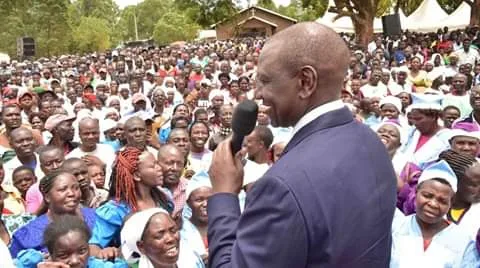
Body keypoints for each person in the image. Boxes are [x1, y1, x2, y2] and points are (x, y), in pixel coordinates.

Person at [207, 22, 397, 267]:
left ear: (306, 82)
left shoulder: (280, 187)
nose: (257, 93)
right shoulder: (371, 142)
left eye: (265, 80)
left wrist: (223, 195)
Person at [89, 147, 171, 259]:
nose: (159, 168)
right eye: (153, 166)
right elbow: (92, 247)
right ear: (137, 176)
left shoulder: (163, 199)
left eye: (157, 163)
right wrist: (106, 252)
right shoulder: (115, 210)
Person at [390, 160, 472, 267]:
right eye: (427, 196)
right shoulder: (395, 228)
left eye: (442, 201)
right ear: (416, 192)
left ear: (451, 203)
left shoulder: (463, 242)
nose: (433, 204)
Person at [9, 171, 96, 258]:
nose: (72, 194)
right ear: (47, 197)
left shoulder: (97, 218)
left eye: (76, 188)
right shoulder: (27, 235)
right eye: (63, 189)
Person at [15, 215, 127, 268]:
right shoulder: (31, 262)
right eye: (63, 255)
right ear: (50, 253)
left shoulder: (99, 266)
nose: (74, 261)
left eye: (82, 251)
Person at [121, 208, 205, 268]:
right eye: (159, 236)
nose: (170, 239)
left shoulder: (193, 261)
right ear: (141, 246)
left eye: (173, 230)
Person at [25, 146, 65, 214]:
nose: (55, 167)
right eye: (48, 164)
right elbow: (31, 219)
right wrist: (46, 201)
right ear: (41, 168)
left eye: (58, 161)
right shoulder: (34, 190)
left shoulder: (76, 181)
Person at [158, 145, 188, 215]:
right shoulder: (150, 190)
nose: (175, 168)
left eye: (179, 164)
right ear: (157, 163)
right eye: (169, 163)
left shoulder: (190, 189)